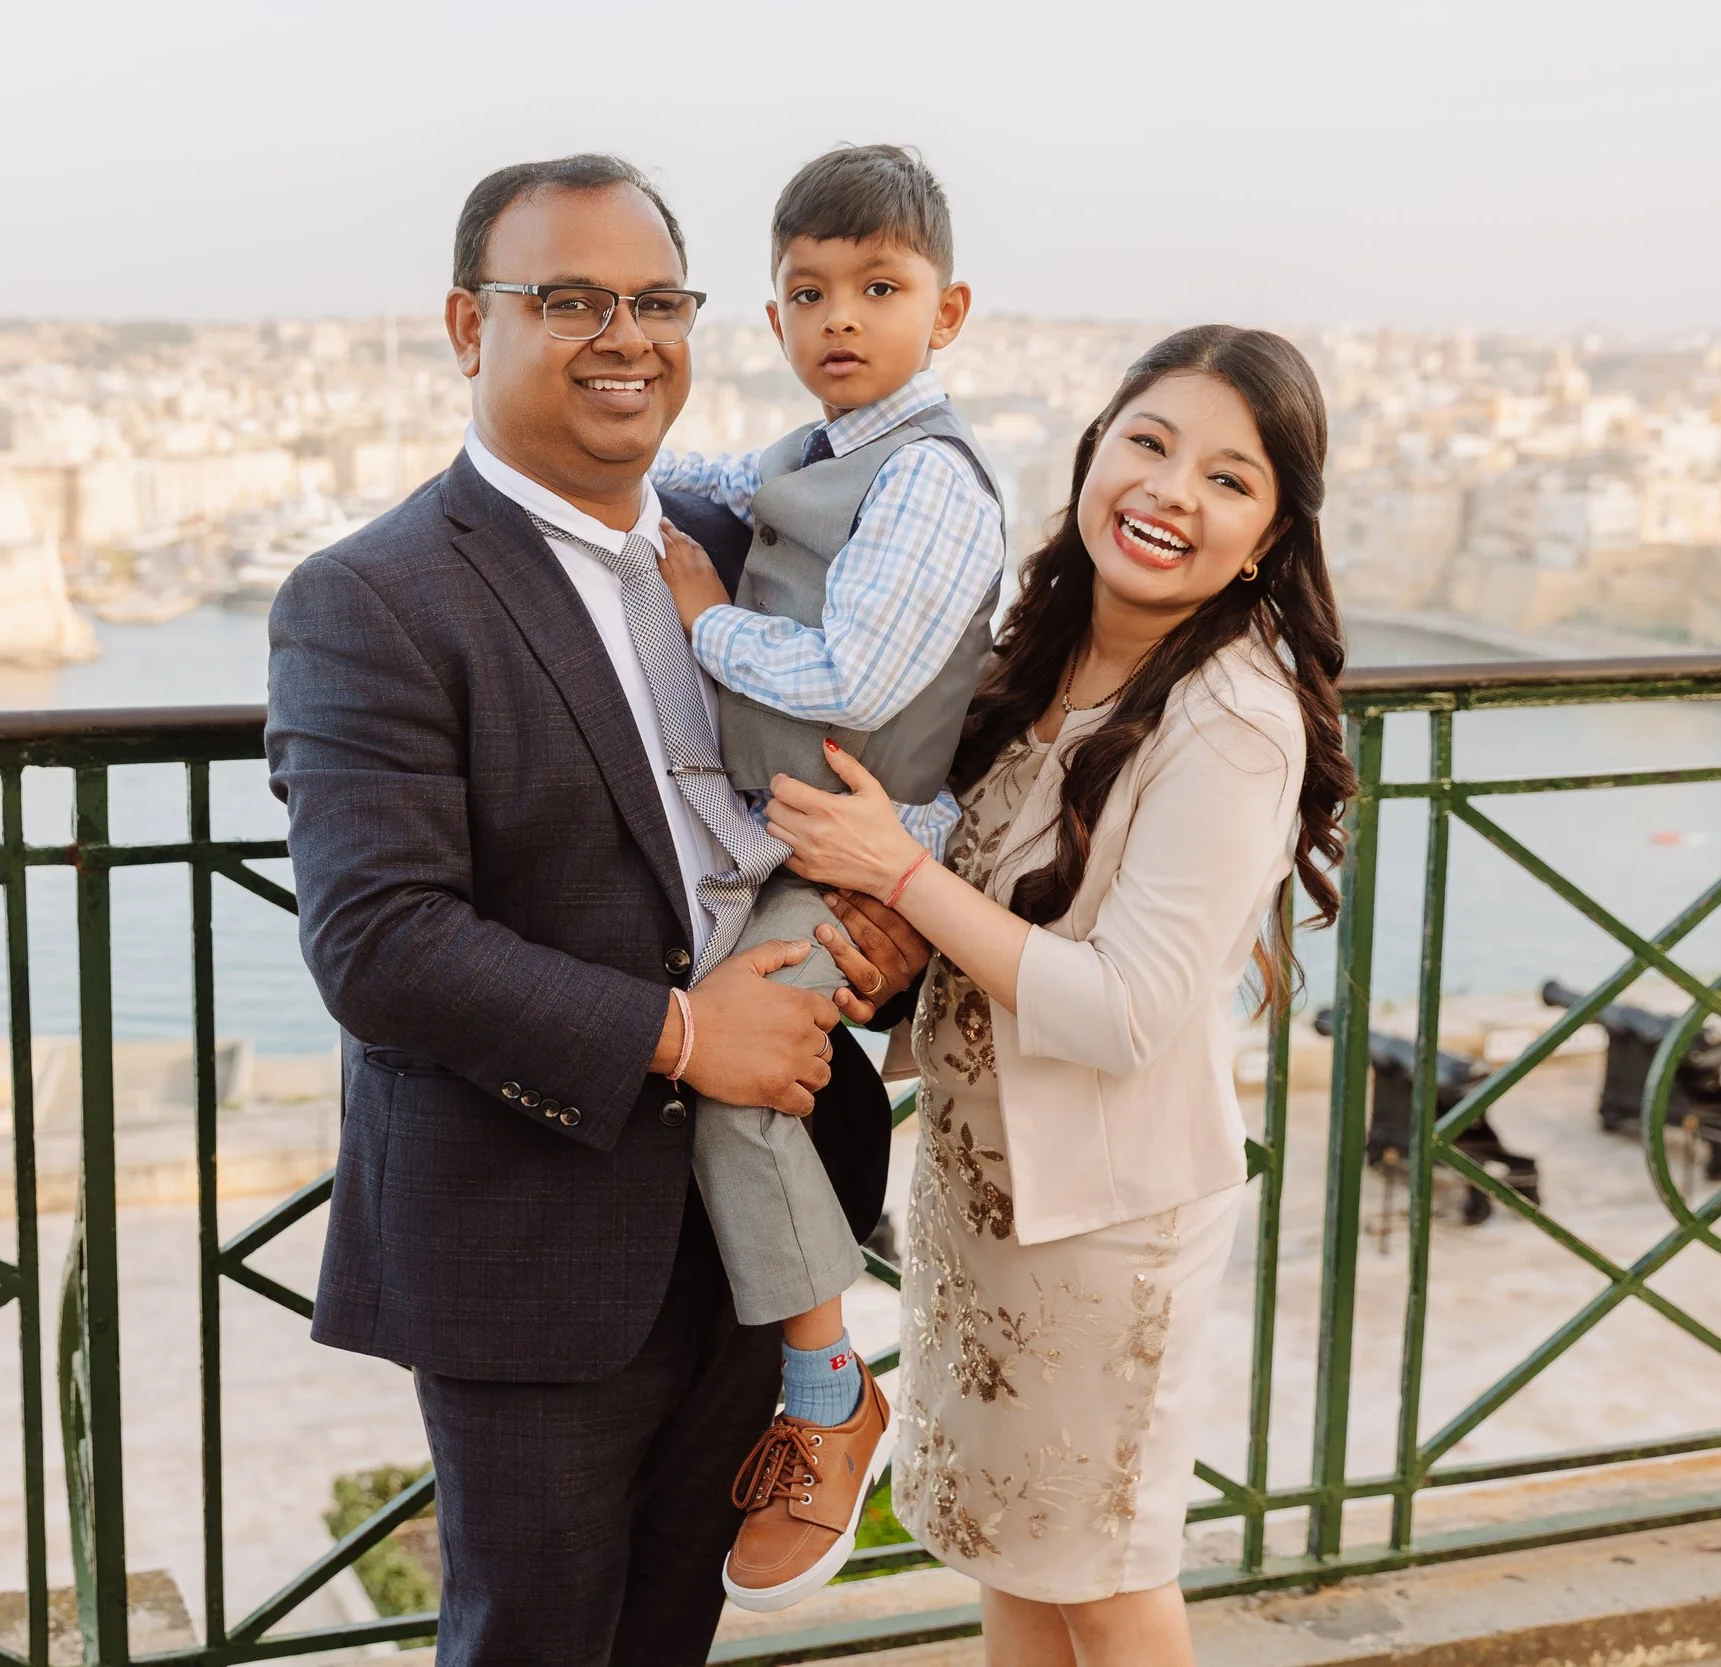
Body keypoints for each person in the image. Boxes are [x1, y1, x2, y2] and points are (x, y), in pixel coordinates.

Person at [265, 154, 931, 1667]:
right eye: (569, 299)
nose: (624, 335)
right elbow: (379, 940)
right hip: (535, 1236)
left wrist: (880, 946)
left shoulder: (743, 543)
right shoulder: (366, 598)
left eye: (654, 300)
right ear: (466, 323)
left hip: (758, 1216)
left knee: (669, 1635)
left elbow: (852, 767)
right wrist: (690, 1032)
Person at [764, 325, 1355, 1667]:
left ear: (1266, 536)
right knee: (1009, 1554)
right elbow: (983, 931)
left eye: (1228, 478)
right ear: (1095, 455)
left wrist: (901, 877)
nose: (1170, 493)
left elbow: (1125, 1009)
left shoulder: (1233, 716)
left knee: (1103, 1575)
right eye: (1148, 444)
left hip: (1106, 1227)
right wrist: (891, 964)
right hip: (980, 1202)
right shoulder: (1035, 654)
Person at [644, 142, 1007, 1610]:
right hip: (780, 844)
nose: (840, 317)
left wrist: (703, 614)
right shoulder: (812, 453)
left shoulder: (929, 483)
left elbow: (855, 673)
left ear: (948, 309)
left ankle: (826, 1387)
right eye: (807, 291)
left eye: (878, 287)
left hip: (854, 854)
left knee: (736, 1076)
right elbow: (691, 473)